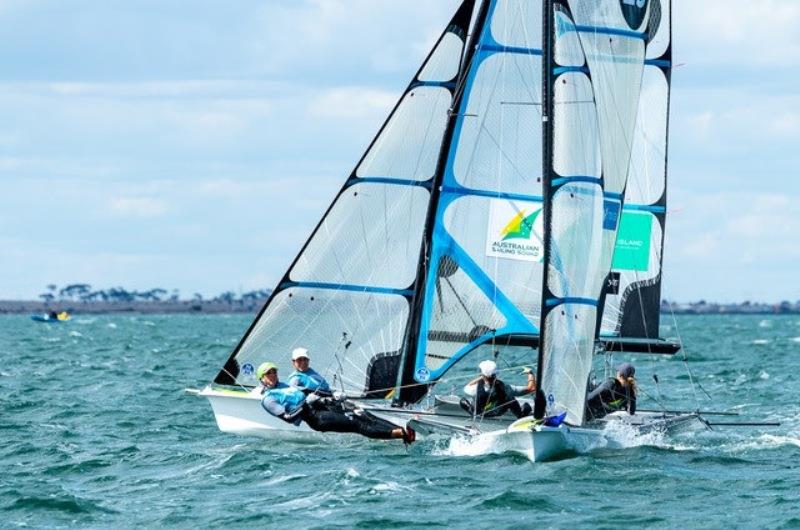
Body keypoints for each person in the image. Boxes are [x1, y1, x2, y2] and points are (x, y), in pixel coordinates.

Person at [256, 361, 415, 443]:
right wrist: (305, 403)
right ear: (261, 378)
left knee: (362, 414)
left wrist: (335, 394)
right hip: (317, 419)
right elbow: (288, 418)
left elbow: (309, 391)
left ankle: (402, 430)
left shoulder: (285, 385)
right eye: (268, 374)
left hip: (323, 407)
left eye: (274, 372)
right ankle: (401, 435)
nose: (272, 375)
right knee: (356, 424)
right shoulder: (268, 399)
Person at [460, 360, 536, 419]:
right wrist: (530, 373)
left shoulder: (474, 389)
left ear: (482, 375)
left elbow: (467, 386)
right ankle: (520, 416)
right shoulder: (505, 387)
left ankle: (473, 414)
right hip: (497, 412)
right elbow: (531, 388)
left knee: (462, 401)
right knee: (513, 399)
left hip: (479, 413)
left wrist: (482, 377)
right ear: (495, 375)